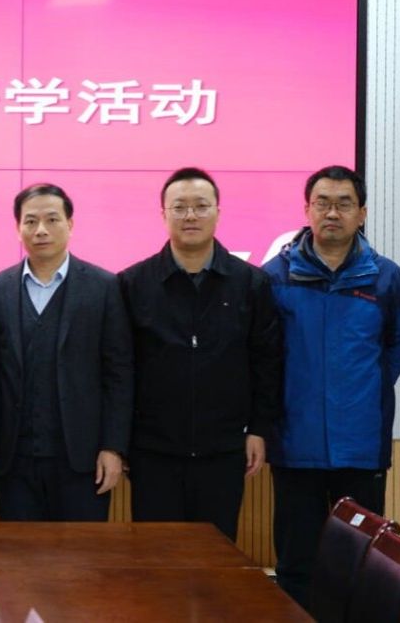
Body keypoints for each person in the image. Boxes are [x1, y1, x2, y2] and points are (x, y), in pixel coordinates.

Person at [263, 165, 400, 610]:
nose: (332, 213)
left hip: (361, 447)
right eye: (322, 203)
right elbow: (264, 357)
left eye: (344, 204)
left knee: (363, 566)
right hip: (295, 445)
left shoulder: (386, 278)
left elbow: (394, 351)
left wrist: (357, 396)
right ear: (307, 210)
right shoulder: (275, 277)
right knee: (296, 567)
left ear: (361, 213)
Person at [118, 167, 281, 541]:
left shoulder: (251, 283)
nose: (190, 215)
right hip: (152, 452)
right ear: (163, 214)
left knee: (215, 556)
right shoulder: (133, 283)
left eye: (201, 206)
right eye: (179, 207)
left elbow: (267, 362)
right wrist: (120, 440)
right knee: (157, 556)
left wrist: (259, 428)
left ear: (218, 213)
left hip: (223, 450)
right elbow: (121, 368)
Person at [0, 183, 132, 521]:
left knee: (81, 553)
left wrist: (113, 447)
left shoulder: (104, 287)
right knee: (19, 552)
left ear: (70, 224)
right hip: (14, 461)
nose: (41, 230)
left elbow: (119, 374)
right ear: (18, 228)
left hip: (83, 460)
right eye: (30, 221)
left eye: (52, 219)